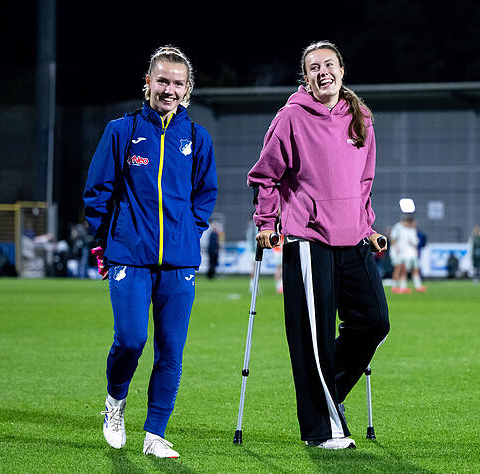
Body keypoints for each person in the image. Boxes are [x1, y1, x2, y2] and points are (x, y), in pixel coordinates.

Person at [247, 41, 390, 450]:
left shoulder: (360, 117)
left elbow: (363, 182)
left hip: (353, 238)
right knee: (313, 338)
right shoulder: (291, 117)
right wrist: (266, 221)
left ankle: (327, 396)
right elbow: (265, 176)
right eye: (313, 68)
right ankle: (321, 428)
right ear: (305, 77)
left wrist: (367, 225)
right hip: (308, 239)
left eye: (329, 65)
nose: (322, 72)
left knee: (374, 321)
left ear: (342, 70)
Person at [83, 45, 218, 459]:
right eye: (162, 80)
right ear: (147, 83)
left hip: (179, 262)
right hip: (129, 255)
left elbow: (205, 194)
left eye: (178, 83)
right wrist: (105, 241)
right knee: (131, 340)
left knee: (171, 351)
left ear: (188, 89)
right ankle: (115, 403)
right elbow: (97, 192)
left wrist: (187, 234)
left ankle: (155, 433)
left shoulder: (196, 138)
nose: (169, 89)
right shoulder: (121, 131)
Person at [390, 214, 425, 293]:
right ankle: (395, 286)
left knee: (405, 269)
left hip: (407, 253)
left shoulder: (411, 229)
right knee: (398, 269)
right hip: (398, 252)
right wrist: (396, 248)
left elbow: (414, 241)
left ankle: (403, 287)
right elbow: (393, 238)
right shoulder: (398, 227)